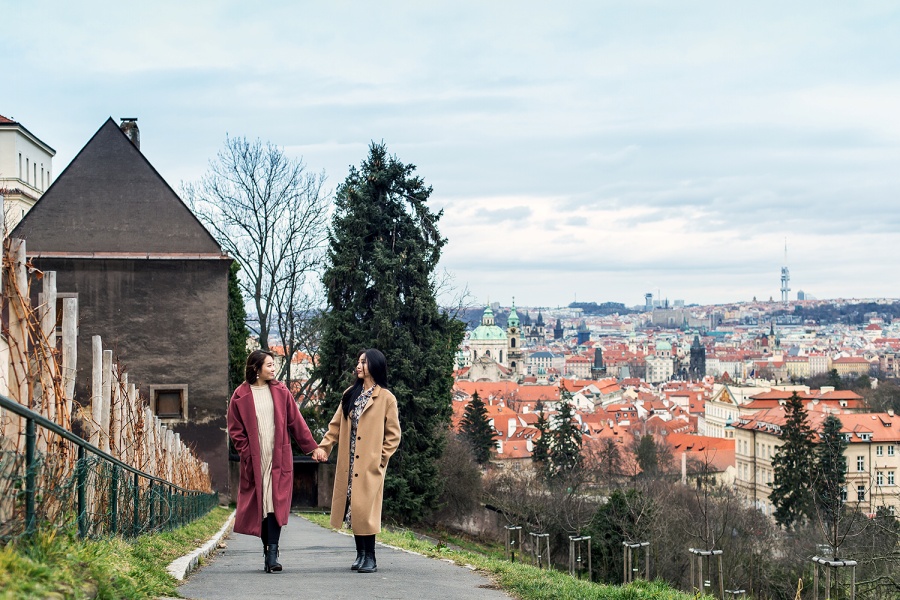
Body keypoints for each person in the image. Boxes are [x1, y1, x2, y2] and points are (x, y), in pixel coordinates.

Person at [227, 349, 318, 573]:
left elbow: (296, 422)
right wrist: (246, 452)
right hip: (255, 460)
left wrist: (312, 448)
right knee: (262, 505)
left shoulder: (281, 391)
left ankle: (273, 553)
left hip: (278, 457)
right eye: (269, 365)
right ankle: (268, 551)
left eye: (273, 365)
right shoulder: (240, 395)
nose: (273, 369)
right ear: (256, 369)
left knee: (274, 503)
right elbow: (235, 430)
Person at [311, 349, 401, 574]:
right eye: (358, 361)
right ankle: (360, 554)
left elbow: (393, 435)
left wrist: (380, 460)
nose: (359, 365)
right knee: (353, 508)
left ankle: (370, 557)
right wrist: (324, 446)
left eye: (364, 362)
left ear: (375, 366)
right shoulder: (350, 393)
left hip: (370, 464)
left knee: (366, 509)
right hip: (349, 461)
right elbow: (335, 426)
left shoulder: (386, 398)